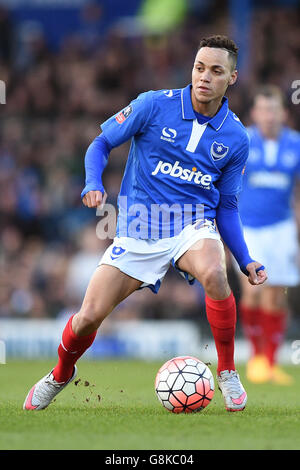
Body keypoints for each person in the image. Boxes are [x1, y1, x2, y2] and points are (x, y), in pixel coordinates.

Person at [23, 35, 267, 413]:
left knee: (216, 273)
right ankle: (59, 373)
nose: (204, 76)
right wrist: (92, 182)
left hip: (193, 225)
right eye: (199, 67)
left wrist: (246, 259)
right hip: (140, 228)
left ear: (232, 78)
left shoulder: (236, 136)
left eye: (216, 71)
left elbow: (228, 207)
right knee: (88, 317)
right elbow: (100, 144)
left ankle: (228, 370)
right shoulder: (154, 104)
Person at [238, 85, 300, 385]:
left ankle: (271, 362)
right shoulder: (243, 141)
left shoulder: (296, 144)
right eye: (263, 110)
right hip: (248, 228)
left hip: (282, 227)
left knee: (276, 297)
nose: (269, 116)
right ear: (254, 114)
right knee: (253, 290)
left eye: (274, 110)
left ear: (283, 114)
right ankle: (255, 357)